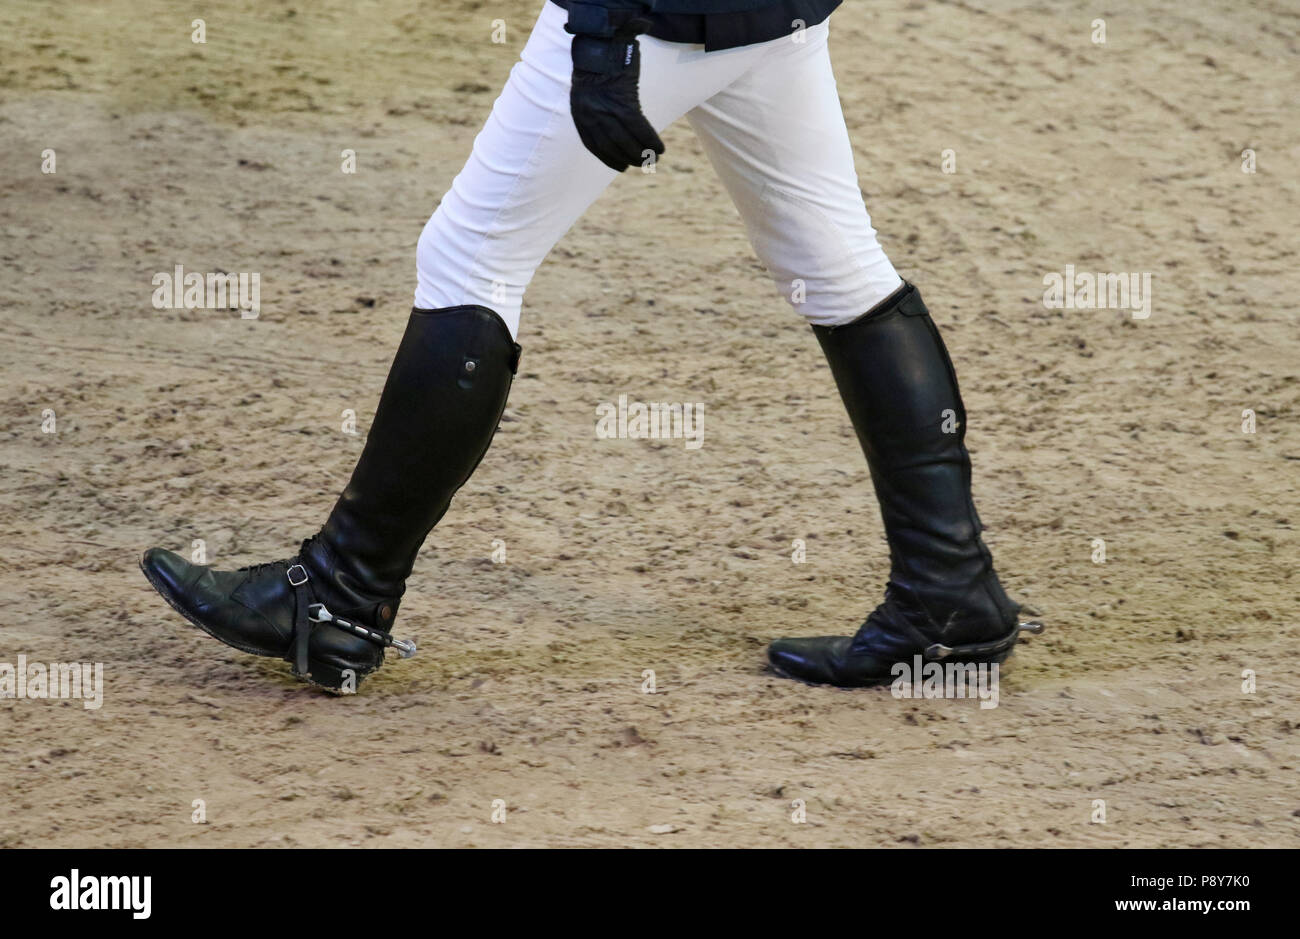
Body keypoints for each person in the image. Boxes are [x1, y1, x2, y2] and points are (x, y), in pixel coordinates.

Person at [140, 0, 1035, 692]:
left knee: (471, 257)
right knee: (838, 268)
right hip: (773, 15)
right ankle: (947, 589)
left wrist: (607, 26)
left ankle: (338, 592)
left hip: (655, 20)